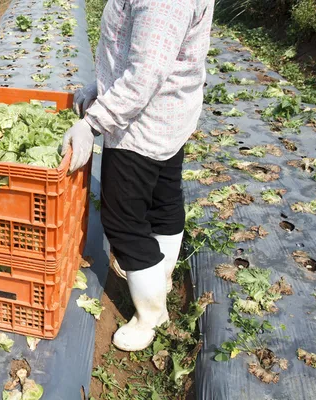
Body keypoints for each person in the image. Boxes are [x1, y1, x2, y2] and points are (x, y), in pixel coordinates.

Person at [61, 0, 215, 351]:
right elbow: (149, 51)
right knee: (164, 196)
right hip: (170, 112)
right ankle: (157, 277)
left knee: (123, 222)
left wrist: (93, 123)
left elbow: (146, 75)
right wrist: (102, 89)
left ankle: (150, 315)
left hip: (142, 126)